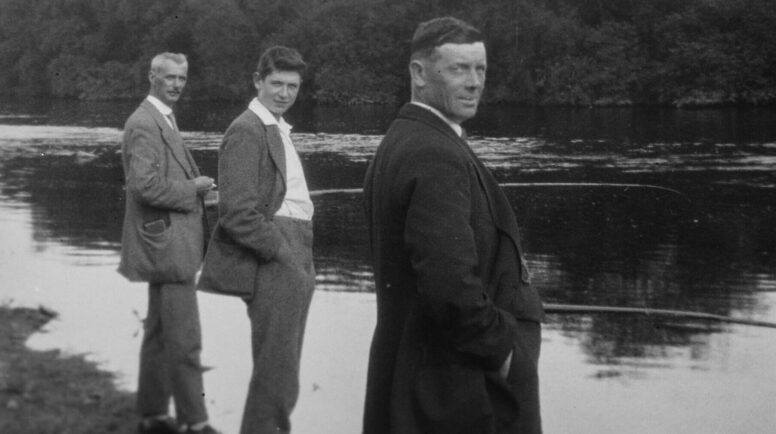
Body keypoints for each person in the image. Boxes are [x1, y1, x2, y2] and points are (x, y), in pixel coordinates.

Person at [362, 17, 545, 434]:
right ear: (419, 73)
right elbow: (450, 289)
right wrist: (507, 356)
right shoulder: (435, 153)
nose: (474, 82)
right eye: (459, 69)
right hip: (452, 391)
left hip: (417, 380)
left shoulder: (403, 139)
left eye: (480, 69)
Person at [198, 46, 315, 434]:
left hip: (298, 246)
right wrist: (282, 252)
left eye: (292, 86)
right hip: (278, 251)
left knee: (282, 373)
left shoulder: (275, 128)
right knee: (276, 375)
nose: (284, 93)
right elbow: (236, 214)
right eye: (276, 84)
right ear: (257, 81)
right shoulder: (247, 130)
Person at [118, 52, 219, 434]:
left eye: (182, 78)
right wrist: (193, 188)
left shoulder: (162, 117)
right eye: (170, 77)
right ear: (152, 76)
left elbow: (160, 182)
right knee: (185, 339)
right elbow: (143, 187)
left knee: (159, 333)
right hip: (168, 247)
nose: (177, 84)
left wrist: (203, 195)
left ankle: (153, 415)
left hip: (167, 241)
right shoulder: (145, 122)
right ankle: (196, 421)